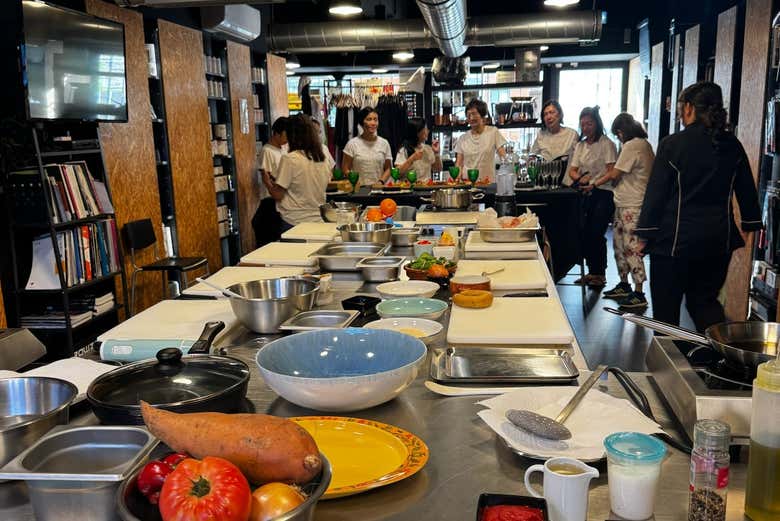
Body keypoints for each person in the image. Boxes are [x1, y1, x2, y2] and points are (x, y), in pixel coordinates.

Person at [635, 81, 761, 331]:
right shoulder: (732, 145)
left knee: (666, 313)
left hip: (674, 245)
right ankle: (722, 361)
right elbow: (747, 190)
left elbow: (656, 195)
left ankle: (669, 367)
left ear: (690, 108)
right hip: (718, 242)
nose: (681, 113)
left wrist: (644, 235)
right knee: (705, 304)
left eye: (682, 107)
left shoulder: (673, 144)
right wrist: (750, 223)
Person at [589, 113, 655, 310]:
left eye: (618, 134)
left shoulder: (632, 145)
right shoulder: (644, 144)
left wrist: (593, 183)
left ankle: (639, 292)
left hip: (632, 205)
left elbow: (615, 173)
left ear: (621, 131)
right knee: (619, 244)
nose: (618, 138)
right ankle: (624, 284)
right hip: (626, 202)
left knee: (631, 246)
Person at [567, 106, 618, 288]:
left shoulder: (607, 144)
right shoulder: (580, 145)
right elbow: (572, 171)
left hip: (603, 192)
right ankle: (592, 271)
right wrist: (581, 179)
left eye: (589, 124)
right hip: (585, 191)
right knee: (584, 231)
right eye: (583, 124)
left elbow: (612, 172)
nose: (586, 127)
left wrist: (594, 183)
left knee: (596, 232)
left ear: (597, 123)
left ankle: (600, 273)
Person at [262, 114, 332, 230]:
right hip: (318, 218)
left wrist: (267, 182)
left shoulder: (290, 159)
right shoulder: (322, 158)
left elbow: (278, 195)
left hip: (293, 221)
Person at [251, 116, 287, 246]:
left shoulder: (283, 150)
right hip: (271, 200)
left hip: (282, 199)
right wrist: (275, 191)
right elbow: (266, 177)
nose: (287, 138)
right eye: (285, 134)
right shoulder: (267, 151)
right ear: (277, 133)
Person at [455, 98, 507, 182]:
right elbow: (458, 164)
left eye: (474, 114)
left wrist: (506, 175)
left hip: (488, 184)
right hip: (467, 184)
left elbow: (504, 157)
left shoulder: (493, 132)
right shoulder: (462, 138)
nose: (471, 118)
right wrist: (457, 178)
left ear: (482, 115)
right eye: (468, 115)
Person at [341, 107, 392, 187]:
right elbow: (345, 168)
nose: (373, 123)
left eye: (375, 119)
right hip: (358, 190)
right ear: (362, 122)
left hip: (378, 190)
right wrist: (354, 179)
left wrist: (381, 182)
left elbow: (388, 168)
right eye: (369, 119)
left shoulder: (384, 143)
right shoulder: (352, 144)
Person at [395, 118, 443, 183]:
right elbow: (397, 174)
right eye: (425, 129)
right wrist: (411, 159)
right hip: (409, 189)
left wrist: (436, 153)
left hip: (426, 189)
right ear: (418, 132)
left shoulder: (428, 148)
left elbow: (437, 169)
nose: (428, 131)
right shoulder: (404, 150)